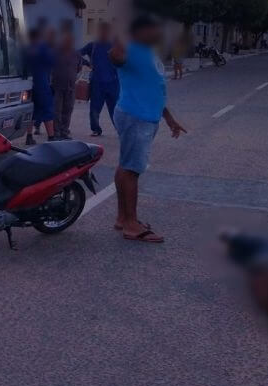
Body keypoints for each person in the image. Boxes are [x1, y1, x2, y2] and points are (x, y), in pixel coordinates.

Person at [109, 15, 187, 243]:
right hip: (136, 115)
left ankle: (123, 218)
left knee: (126, 165)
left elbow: (155, 88)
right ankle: (131, 225)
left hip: (146, 115)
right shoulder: (129, 49)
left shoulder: (150, 53)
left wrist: (170, 119)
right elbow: (114, 56)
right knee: (132, 170)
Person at [79, 22, 119, 136]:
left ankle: (121, 130)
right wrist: (86, 63)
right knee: (94, 110)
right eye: (102, 31)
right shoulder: (93, 45)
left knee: (116, 110)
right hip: (97, 84)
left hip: (113, 83)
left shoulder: (115, 45)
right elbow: (77, 54)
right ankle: (96, 129)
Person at [24, 27, 56, 145]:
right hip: (42, 84)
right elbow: (52, 62)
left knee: (31, 112)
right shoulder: (43, 47)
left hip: (28, 85)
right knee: (48, 109)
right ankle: (51, 137)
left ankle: (29, 136)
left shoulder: (26, 49)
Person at [51, 28, 81, 139]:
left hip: (71, 87)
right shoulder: (56, 52)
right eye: (66, 40)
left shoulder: (76, 54)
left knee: (68, 110)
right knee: (57, 111)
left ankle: (64, 132)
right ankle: (56, 132)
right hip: (58, 86)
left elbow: (78, 68)